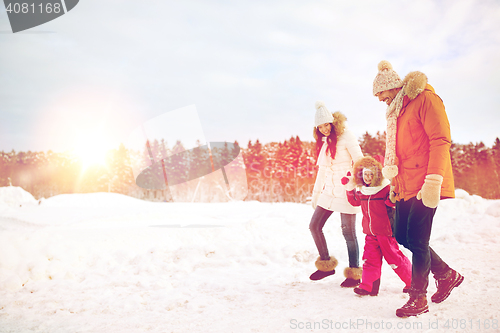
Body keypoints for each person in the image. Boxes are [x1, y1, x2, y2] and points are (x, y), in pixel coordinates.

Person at [372, 60, 464, 317]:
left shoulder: (425, 100)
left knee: (419, 241)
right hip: (405, 184)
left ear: (392, 86)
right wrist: (395, 183)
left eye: (381, 93)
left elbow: (440, 140)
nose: (379, 98)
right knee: (402, 236)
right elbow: (401, 152)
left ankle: (418, 298)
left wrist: (433, 181)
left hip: (425, 183)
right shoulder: (397, 112)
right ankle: (446, 274)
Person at [309, 101, 363, 287]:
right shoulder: (324, 143)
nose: (324, 129)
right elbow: (322, 171)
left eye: (326, 124)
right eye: (320, 126)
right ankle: (326, 266)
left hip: (346, 190)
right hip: (329, 193)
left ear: (332, 123)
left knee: (348, 232)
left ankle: (354, 274)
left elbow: (360, 162)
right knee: (314, 225)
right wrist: (316, 193)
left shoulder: (347, 136)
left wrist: (354, 185)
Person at [342, 155, 412, 297]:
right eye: (365, 174)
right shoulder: (363, 190)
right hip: (370, 232)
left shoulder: (384, 188)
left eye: (370, 174)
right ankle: (368, 287)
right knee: (369, 259)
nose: (367, 177)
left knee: (395, 259)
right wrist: (349, 189)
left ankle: (413, 282)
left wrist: (393, 197)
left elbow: (392, 203)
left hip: (385, 232)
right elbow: (355, 202)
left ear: (377, 175)